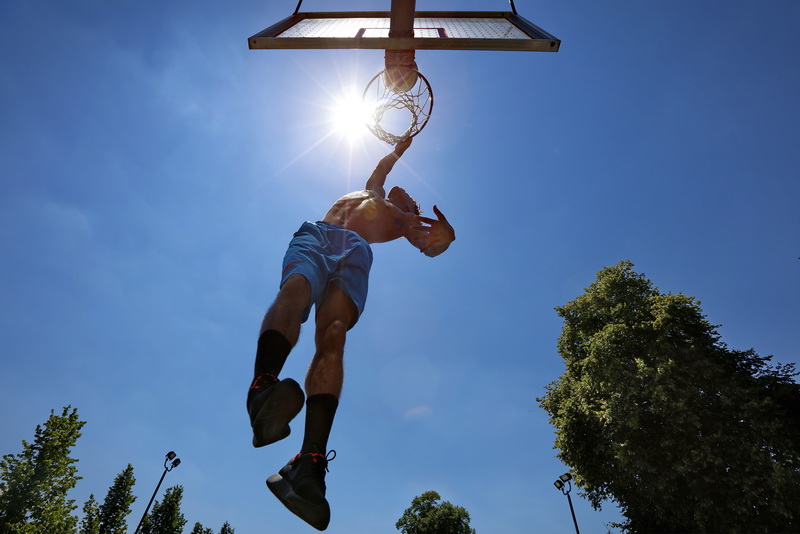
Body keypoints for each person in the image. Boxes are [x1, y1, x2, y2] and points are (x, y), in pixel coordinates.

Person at [246, 137, 455, 531]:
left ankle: (308, 465)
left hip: (355, 252)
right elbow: (383, 167)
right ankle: (263, 389)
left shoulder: (404, 219)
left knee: (335, 333)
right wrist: (401, 145)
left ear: (412, 209)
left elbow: (429, 244)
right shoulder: (373, 188)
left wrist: (444, 237)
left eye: (413, 201)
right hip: (320, 234)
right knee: (295, 291)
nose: (408, 196)